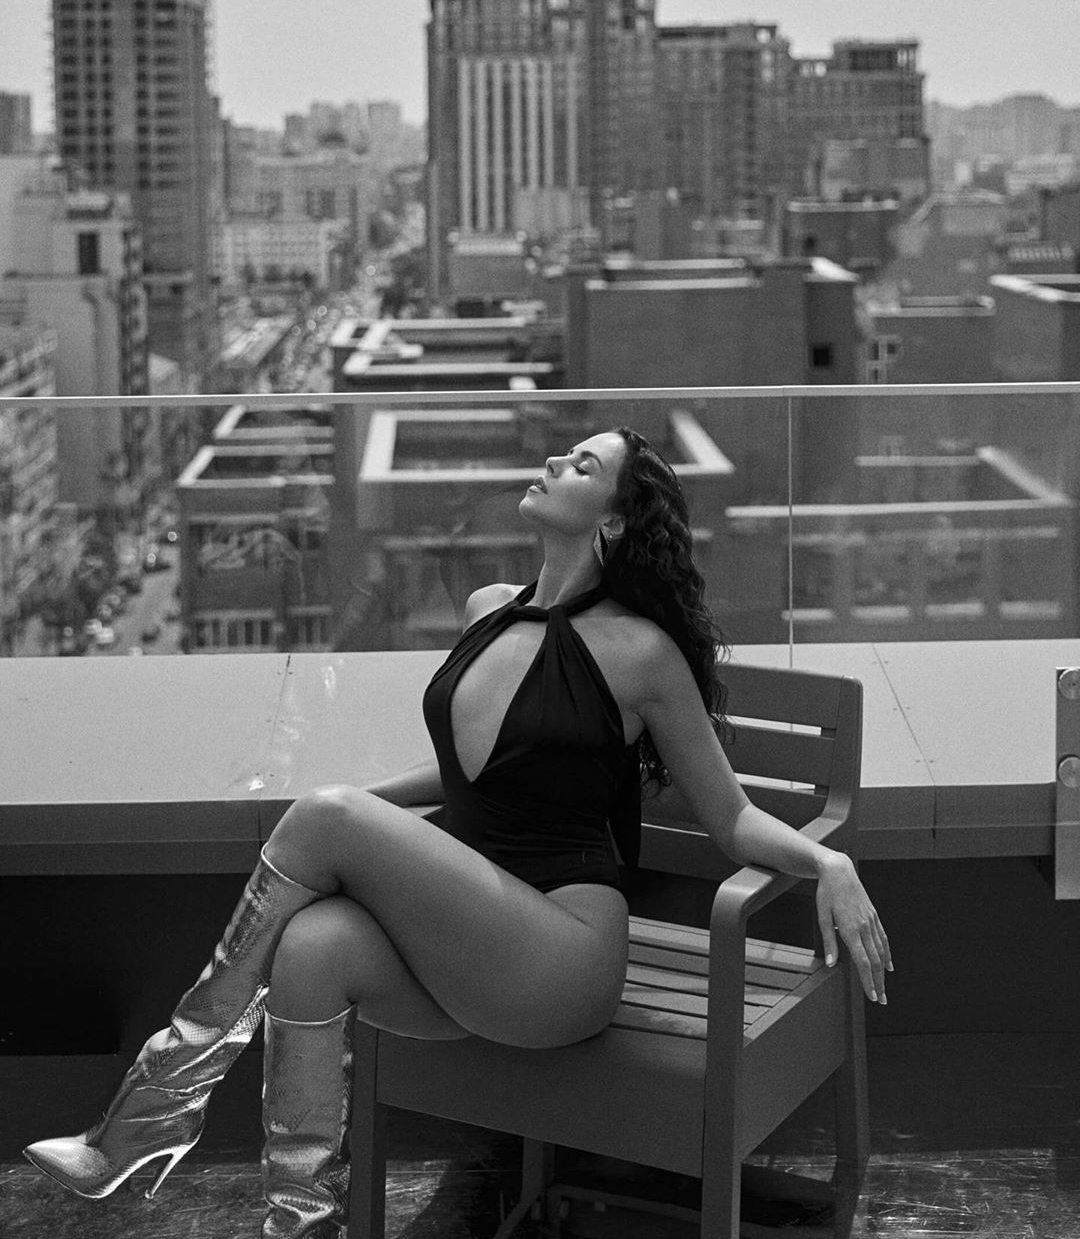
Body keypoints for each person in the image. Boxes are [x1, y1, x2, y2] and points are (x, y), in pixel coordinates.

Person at [24, 425, 892, 1237]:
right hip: (470, 946)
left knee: (327, 817)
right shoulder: (489, 610)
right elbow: (467, 773)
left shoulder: (642, 653)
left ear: (614, 521)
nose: (554, 465)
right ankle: (301, 1221)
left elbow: (731, 817)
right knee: (313, 947)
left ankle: (148, 1118)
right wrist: (357, 815)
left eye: (582, 466)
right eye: (563, 455)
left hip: (562, 958)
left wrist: (829, 861)